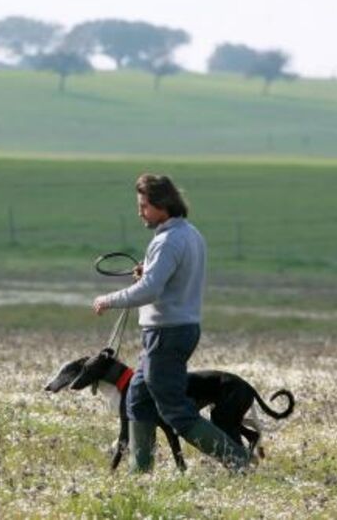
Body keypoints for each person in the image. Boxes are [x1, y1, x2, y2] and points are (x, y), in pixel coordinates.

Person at [92, 173, 252, 473]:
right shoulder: (190, 234)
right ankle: (140, 474)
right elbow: (168, 279)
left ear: (163, 205)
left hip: (166, 334)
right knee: (137, 400)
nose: (140, 212)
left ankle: (238, 460)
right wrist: (150, 271)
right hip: (176, 330)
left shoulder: (166, 241)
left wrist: (108, 300)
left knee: (176, 411)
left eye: (144, 206)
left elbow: (150, 290)